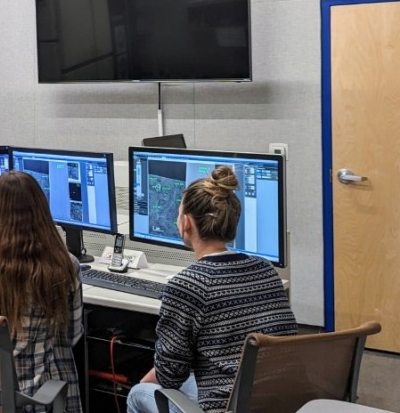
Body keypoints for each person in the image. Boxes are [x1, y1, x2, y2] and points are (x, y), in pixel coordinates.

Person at [126, 166, 297, 413]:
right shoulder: (265, 269)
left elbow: (170, 375)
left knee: (138, 393)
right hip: (277, 401)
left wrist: (144, 382)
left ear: (185, 223)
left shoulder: (187, 285)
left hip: (226, 407)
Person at [0, 171, 84, 413]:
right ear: (41, 210)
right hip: (34, 399)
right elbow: (71, 335)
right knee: (62, 359)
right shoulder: (64, 265)